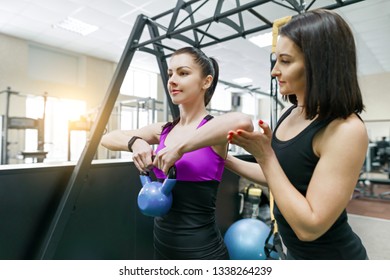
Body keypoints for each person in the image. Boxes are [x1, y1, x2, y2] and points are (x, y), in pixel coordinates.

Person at [225, 9, 369, 260]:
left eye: (286, 61)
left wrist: (266, 156)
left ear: (319, 64)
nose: (274, 71)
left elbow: (309, 227)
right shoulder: (290, 113)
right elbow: (281, 178)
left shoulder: (345, 130)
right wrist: (223, 159)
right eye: (275, 60)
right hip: (294, 256)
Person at [101, 46, 253, 259]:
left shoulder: (213, 130)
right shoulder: (164, 130)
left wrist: (180, 148)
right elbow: (107, 138)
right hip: (163, 249)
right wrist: (135, 142)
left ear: (206, 82)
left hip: (203, 254)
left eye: (183, 73)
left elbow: (242, 121)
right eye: (170, 73)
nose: (172, 80)